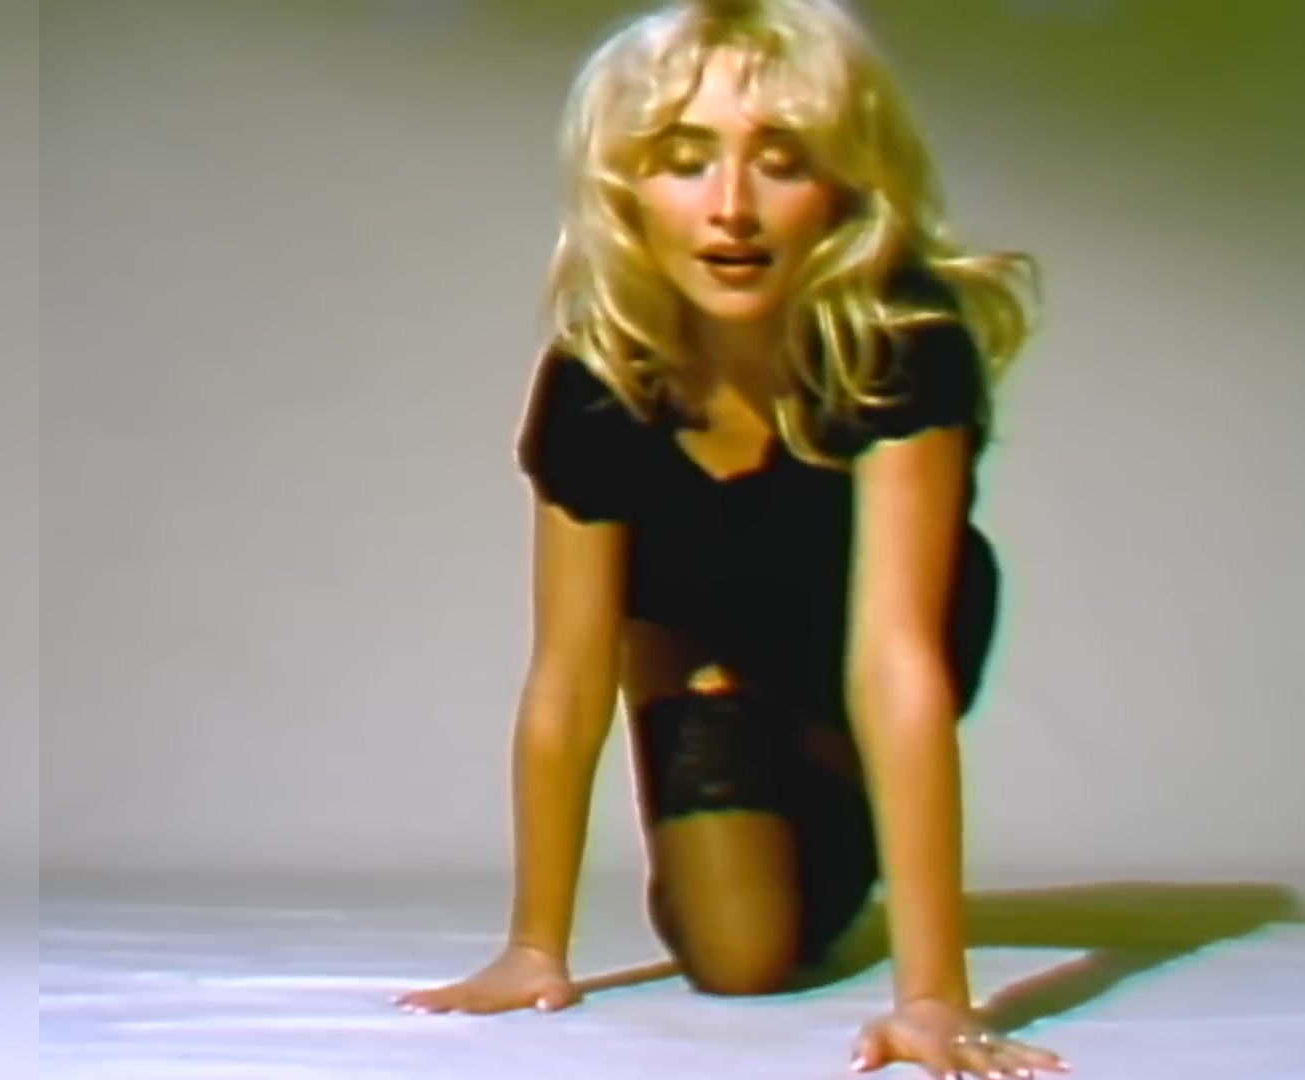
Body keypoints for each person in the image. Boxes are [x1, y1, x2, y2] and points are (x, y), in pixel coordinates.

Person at [398, 1, 1064, 1075]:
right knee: (740, 957)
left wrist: (934, 997)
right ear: (627, 186)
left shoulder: (902, 346)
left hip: (856, 632)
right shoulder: (598, 379)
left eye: (782, 162)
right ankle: (708, 714)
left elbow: (895, 661)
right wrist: (534, 949)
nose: (731, 209)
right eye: (685, 161)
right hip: (689, 630)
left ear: (845, 183)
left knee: (839, 802)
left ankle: (830, 783)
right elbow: (568, 678)